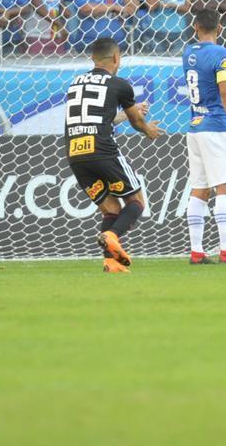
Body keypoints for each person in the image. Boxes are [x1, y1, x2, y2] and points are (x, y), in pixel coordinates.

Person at [64, 37, 162, 273]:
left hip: (76, 152)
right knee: (137, 202)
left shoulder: (76, 83)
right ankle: (111, 235)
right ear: (117, 58)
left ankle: (110, 262)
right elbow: (138, 122)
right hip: (102, 149)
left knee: (111, 209)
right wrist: (147, 128)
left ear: (92, 58)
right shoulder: (120, 84)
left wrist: (127, 114)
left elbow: (100, 117)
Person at [182, 9, 226, 265]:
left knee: (200, 189)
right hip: (217, 126)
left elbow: (214, 67)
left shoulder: (189, 52)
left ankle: (197, 252)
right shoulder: (219, 55)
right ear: (219, 28)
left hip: (196, 126)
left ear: (195, 26)